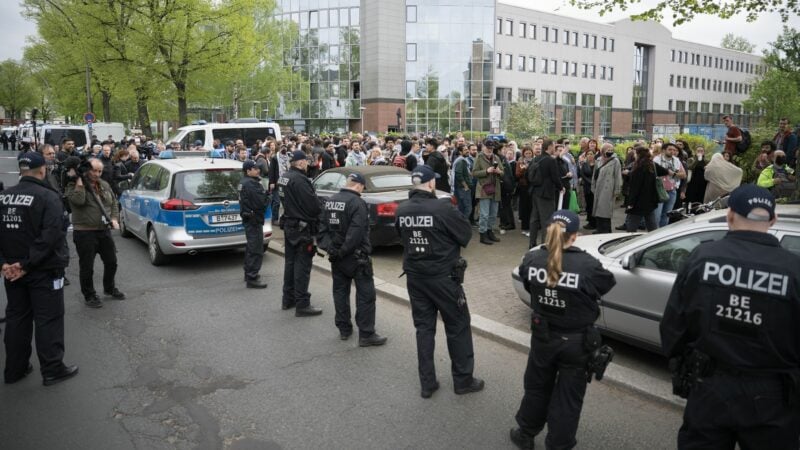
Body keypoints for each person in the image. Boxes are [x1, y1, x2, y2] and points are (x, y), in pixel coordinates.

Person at [660, 184, 800, 449]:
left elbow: (673, 326)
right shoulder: (794, 270)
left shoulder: (702, 257)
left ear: (730, 214)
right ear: (773, 219)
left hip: (710, 386)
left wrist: (679, 361)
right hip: (773, 396)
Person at [510, 210, 616, 450]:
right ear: (575, 236)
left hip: (543, 337)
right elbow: (605, 285)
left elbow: (528, 285)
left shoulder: (533, 258)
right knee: (568, 398)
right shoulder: (588, 265)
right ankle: (559, 445)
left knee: (537, 388)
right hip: (577, 343)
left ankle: (525, 433)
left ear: (549, 231)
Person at [394, 165, 483, 398]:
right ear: (431, 183)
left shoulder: (402, 210)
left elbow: (400, 237)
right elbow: (465, 235)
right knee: (458, 326)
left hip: (415, 277)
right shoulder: (443, 208)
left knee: (424, 329)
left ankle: (427, 383)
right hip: (443, 278)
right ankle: (463, 380)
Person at [1, 152, 79, 386]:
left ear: (21, 170)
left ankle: (14, 369)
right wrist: (26, 265)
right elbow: (52, 236)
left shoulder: (3, 197)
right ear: (43, 169)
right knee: (48, 320)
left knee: (17, 318)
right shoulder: (48, 197)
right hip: (43, 271)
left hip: (12, 272)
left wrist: (5, 264)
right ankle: (53, 369)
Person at [319, 172, 388, 346]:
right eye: (362, 188)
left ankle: (344, 329)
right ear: (358, 185)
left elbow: (321, 228)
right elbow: (356, 233)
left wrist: (331, 249)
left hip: (337, 257)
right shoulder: (357, 203)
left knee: (340, 293)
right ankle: (366, 334)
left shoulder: (330, 200)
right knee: (366, 296)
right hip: (357, 258)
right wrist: (342, 251)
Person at [66, 159, 125, 308]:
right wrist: (79, 180)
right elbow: (78, 201)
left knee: (111, 262)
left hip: (103, 231)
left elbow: (113, 203)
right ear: (86, 170)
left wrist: (113, 218)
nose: (97, 174)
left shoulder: (103, 184)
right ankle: (89, 295)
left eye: (100, 171)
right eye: (94, 170)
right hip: (84, 232)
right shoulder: (72, 186)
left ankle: (109, 288)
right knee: (87, 266)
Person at [278, 150, 323, 316]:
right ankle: (302, 304)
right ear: (300, 162)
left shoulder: (285, 177)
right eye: (306, 161)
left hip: (290, 225)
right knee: (302, 266)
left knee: (290, 264)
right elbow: (313, 206)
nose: (308, 163)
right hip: (302, 229)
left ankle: (288, 298)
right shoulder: (300, 180)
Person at [625, 146, 673, 232]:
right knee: (652, 225)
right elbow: (665, 171)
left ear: (638, 154)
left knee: (632, 226)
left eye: (635, 153)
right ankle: (656, 240)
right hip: (650, 199)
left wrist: (631, 203)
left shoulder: (637, 167)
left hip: (638, 202)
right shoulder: (652, 164)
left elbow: (635, 188)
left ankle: (629, 242)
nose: (634, 155)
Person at [239, 160, 270, 289]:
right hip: (254, 219)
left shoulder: (244, 182)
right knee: (256, 249)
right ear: (248, 171)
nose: (258, 171)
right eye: (255, 169)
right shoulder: (252, 184)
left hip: (249, 218)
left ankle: (248, 273)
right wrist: (267, 196)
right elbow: (261, 203)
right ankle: (252, 277)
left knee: (251, 247)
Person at [528, 139, 563, 248]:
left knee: (534, 218)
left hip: (535, 192)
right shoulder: (550, 160)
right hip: (546, 194)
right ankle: (545, 244)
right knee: (547, 220)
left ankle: (532, 243)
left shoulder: (536, 158)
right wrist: (561, 187)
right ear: (549, 147)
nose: (555, 148)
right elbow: (555, 177)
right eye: (553, 146)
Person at [591, 144, 623, 233]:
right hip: (598, 188)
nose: (610, 151)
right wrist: (593, 186)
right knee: (598, 210)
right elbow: (594, 175)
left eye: (611, 149)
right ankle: (600, 229)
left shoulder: (615, 161)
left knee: (605, 211)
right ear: (602, 150)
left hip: (608, 189)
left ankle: (604, 230)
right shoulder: (598, 160)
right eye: (607, 149)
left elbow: (618, 176)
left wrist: (617, 190)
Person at [653, 143, 687, 228]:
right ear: (664, 150)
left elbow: (684, 175)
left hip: (672, 190)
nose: (672, 151)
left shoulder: (676, 160)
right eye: (670, 149)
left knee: (667, 215)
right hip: (659, 191)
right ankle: (654, 235)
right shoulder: (656, 160)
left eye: (674, 150)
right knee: (656, 215)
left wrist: (673, 174)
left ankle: (662, 234)